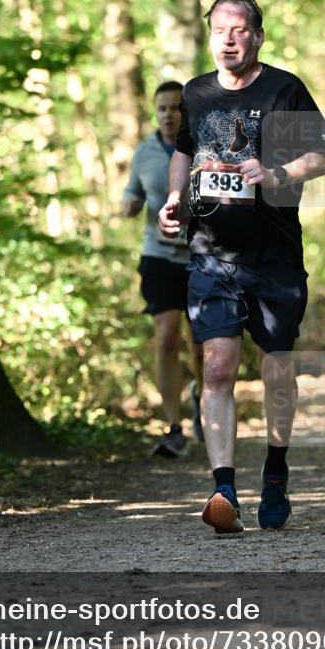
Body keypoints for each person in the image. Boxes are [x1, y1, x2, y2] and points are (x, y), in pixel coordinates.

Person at [158, 0, 325, 534]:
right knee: (217, 367)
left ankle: (276, 472)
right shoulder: (196, 93)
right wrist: (174, 199)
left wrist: (278, 173)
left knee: (277, 370)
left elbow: (323, 155)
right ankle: (224, 489)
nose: (229, 40)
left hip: (274, 256)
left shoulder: (284, 89)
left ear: (257, 36)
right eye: (219, 31)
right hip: (211, 255)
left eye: (239, 31)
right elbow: (184, 151)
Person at [123, 82, 204, 458]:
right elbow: (132, 193)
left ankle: (202, 399)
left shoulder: (205, 148)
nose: (169, 114)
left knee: (201, 345)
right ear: (155, 112)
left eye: (176, 108)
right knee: (167, 337)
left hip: (202, 256)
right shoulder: (144, 153)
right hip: (158, 257)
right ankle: (173, 427)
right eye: (163, 108)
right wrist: (129, 204)